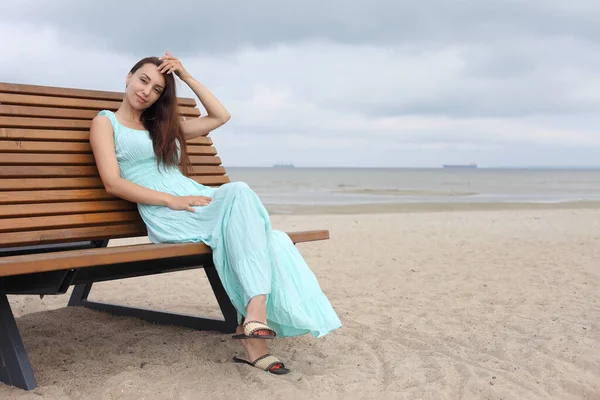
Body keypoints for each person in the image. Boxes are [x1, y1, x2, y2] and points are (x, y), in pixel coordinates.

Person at [89, 52, 342, 375]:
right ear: (128, 77)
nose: (146, 91)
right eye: (143, 80)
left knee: (274, 238)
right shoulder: (105, 122)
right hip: (168, 212)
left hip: (198, 203)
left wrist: (186, 76)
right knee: (240, 194)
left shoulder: (162, 128)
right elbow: (112, 183)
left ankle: (254, 330)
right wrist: (170, 200)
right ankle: (256, 315)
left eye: (156, 89)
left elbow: (220, 116)